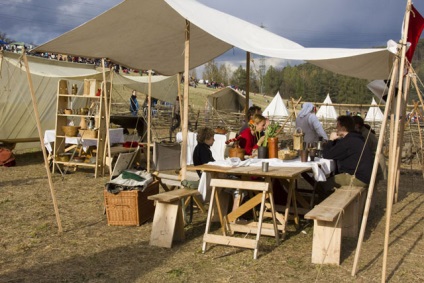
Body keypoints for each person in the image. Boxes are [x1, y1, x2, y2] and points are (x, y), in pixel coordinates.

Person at [321, 115, 373, 194]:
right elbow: (337, 150)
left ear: (343, 128)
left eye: (338, 126)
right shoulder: (355, 138)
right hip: (364, 176)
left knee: (323, 184)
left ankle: (323, 204)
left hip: (357, 178)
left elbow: (327, 155)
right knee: (331, 179)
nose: (336, 128)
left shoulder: (348, 141)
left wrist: (331, 140)